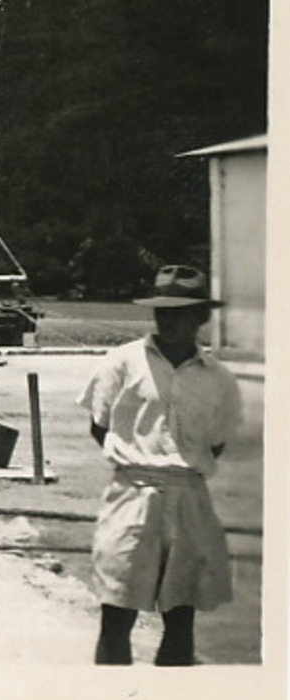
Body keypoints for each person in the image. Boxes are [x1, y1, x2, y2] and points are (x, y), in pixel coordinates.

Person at [77, 264, 243, 665]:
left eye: (181, 312)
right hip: (131, 495)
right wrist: (141, 461)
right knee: (116, 612)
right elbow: (100, 427)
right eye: (162, 311)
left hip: (189, 500)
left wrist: (178, 467)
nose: (169, 320)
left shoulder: (219, 378)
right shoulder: (121, 362)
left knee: (180, 617)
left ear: (202, 316)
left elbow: (215, 444)